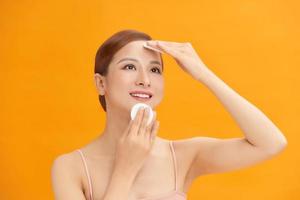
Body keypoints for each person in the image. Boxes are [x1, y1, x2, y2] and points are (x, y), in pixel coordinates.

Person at [51, 29, 288, 200]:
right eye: (129, 66)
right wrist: (125, 169)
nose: (144, 80)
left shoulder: (183, 156)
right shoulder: (70, 168)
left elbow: (271, 143)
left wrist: (204, 74)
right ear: (100, 84)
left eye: (155, 70)